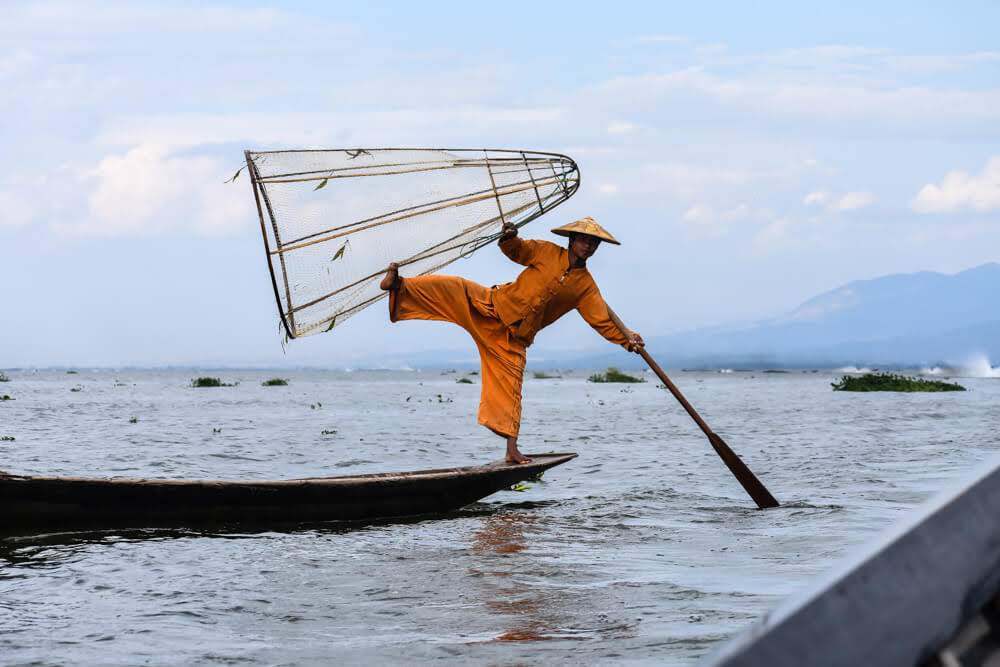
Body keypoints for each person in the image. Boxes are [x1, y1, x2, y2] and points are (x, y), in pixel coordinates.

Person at [380, 216, 644, 464]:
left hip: (514, 339)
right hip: (491, 306)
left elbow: (601, 320)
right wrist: (509, 237)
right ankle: (399, 285)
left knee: (511, 389)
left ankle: (511, 451)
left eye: (593, 243)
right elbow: (518, 251)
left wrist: (627, 340)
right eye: (584, 240)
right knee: (453, 287)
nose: (588, 246)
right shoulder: (547, 251)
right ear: (572, 240)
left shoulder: (585, 287)